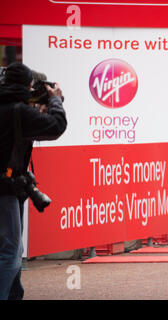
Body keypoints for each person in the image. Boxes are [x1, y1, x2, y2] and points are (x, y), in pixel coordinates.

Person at [0, 62, 67, 299]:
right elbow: (56, 127)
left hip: (12, 186)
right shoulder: (18, 111)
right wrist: (54, 101)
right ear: (27, 85)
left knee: (10, 250)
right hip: (5, 190)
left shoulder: (12, 108)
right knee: (10, 251)